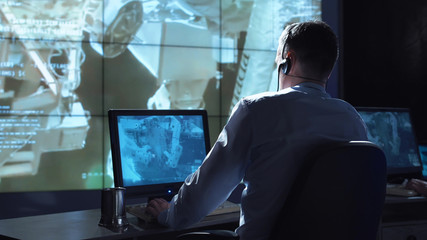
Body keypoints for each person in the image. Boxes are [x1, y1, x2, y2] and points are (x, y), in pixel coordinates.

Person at [146, 20, 368, 240]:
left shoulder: (257, 109)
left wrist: (169, 214)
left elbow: (205, 192)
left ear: (287, 60)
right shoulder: (352, 119)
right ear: (328, 70)